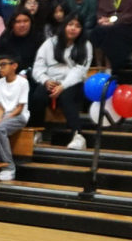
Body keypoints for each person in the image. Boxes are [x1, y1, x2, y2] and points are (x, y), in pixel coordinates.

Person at [33, 14, 93, 149]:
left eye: (77, 26)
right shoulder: (50, 43)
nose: (73, 29)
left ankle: (78, 135)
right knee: (38, 95)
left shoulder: (86, 45)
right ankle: (37, 132)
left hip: (72, 83)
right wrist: (45, 80)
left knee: (67, 97)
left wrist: (63, 86)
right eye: (70, 24)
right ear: (64, 25)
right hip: (51, 80)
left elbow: (80, 71)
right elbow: (38, 67)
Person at [0, 54, 30, 181]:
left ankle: (9, 167)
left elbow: (20, 108)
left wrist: (3, 121)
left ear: (14, 66)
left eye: (3, 64)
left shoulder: (23, 82)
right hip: (5, 116)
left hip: (19, 116)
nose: (0, 68)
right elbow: (0, 108)